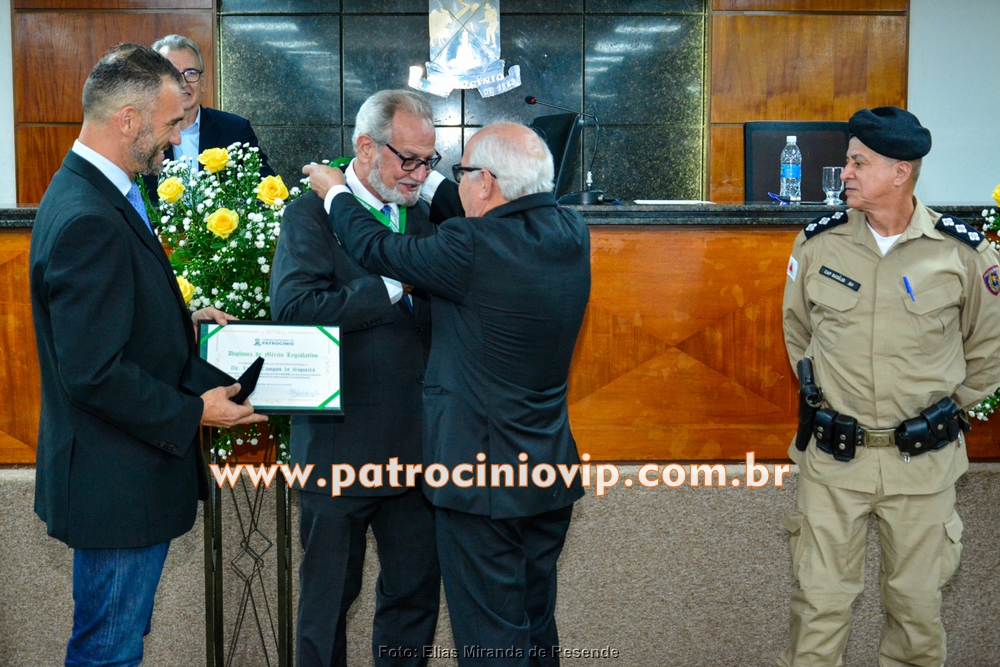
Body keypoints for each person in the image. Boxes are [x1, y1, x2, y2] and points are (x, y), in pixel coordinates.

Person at [304, 121, 591, 666]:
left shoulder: (471, 246)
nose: (448, 184)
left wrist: (335, 191)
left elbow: (377, 247)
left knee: (491, 641)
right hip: (547, 476)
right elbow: (493, 209)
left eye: (459, 174)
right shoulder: (570, 233)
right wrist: (430, 178)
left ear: (484, 183)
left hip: (480, 484)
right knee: (533, 627)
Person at [29, 43, 266, 666]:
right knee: (108, 652)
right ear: (128, 121)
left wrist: (179, 323)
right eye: (168, 125)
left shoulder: (91, 191)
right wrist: (196, 414)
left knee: (116, 644)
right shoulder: (90, 215)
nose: (175, 137)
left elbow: (103, 324)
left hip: (120, 481)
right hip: (117, 489)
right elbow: (94, 373)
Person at [779, 106, 1000, 666]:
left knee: (916, 613)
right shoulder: (817, 246)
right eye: (849, 160)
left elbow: (990, 351)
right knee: (818, 607)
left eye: (859, 161)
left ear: (901, 171)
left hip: (922, 467)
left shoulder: (964, 255)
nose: (845, 171)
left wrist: (937, 413)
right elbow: (798, 334)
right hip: (834, 462)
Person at [270, 89, 442, 667]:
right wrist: (393, 286)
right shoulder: (308, 213)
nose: (419, 173)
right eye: (408, 159)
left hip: (419, 449)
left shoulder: (423, 214)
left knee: (414, 599)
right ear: (366, 148)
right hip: (338, 446)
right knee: (325, 605)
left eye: (429, 160)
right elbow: (294, 312)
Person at [142, 33, 274, 202]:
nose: (183, 83)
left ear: (202, 82)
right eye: (172, 73)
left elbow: (266, 192)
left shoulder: (235, 130)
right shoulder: (141, 134)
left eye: (190, 73)